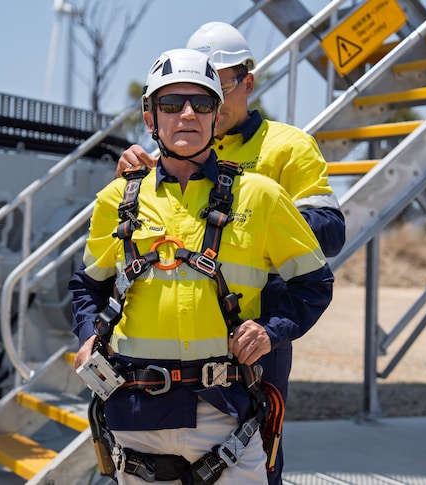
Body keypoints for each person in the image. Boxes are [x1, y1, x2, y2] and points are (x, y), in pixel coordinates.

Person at [69, 48, 334, 484]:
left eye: (202, 103)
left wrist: (271, 331)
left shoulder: (261, 197)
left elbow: (315, 283)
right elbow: (88, 288)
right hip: (136, 418)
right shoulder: (116, 200)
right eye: (171, 105)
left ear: (216, 116)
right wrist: (86, 336)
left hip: (226, 415)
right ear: (150, 118)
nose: (187, 115)